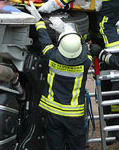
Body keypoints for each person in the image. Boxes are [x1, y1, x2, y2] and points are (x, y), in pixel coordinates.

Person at [34, 18, 92, 150]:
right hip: (74, 116)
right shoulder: (85, 62)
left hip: (53, 113)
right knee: (76, 146)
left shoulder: (51, 56)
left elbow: (45, 41)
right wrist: (68, 28)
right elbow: (84, 46)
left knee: (54, 146)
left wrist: (39, 23)